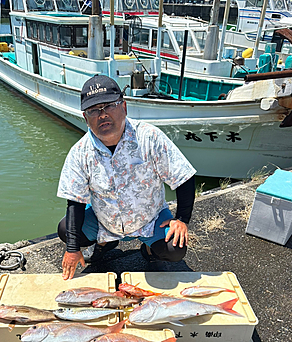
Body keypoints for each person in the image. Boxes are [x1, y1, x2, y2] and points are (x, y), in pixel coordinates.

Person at [57, 75, 196, 280]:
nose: (102, 115)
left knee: (174, 249)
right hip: (104, 220)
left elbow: (183, 176)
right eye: (94, 110)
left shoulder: (150, 137)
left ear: (124, 107)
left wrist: (182, 219)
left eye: (109, 106)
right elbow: (75, 201)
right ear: (86, 118)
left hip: (150, 219)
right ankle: (105, 242)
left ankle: (148, 252)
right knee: (66, 229)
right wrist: (71, 248)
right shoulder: (80, 152)